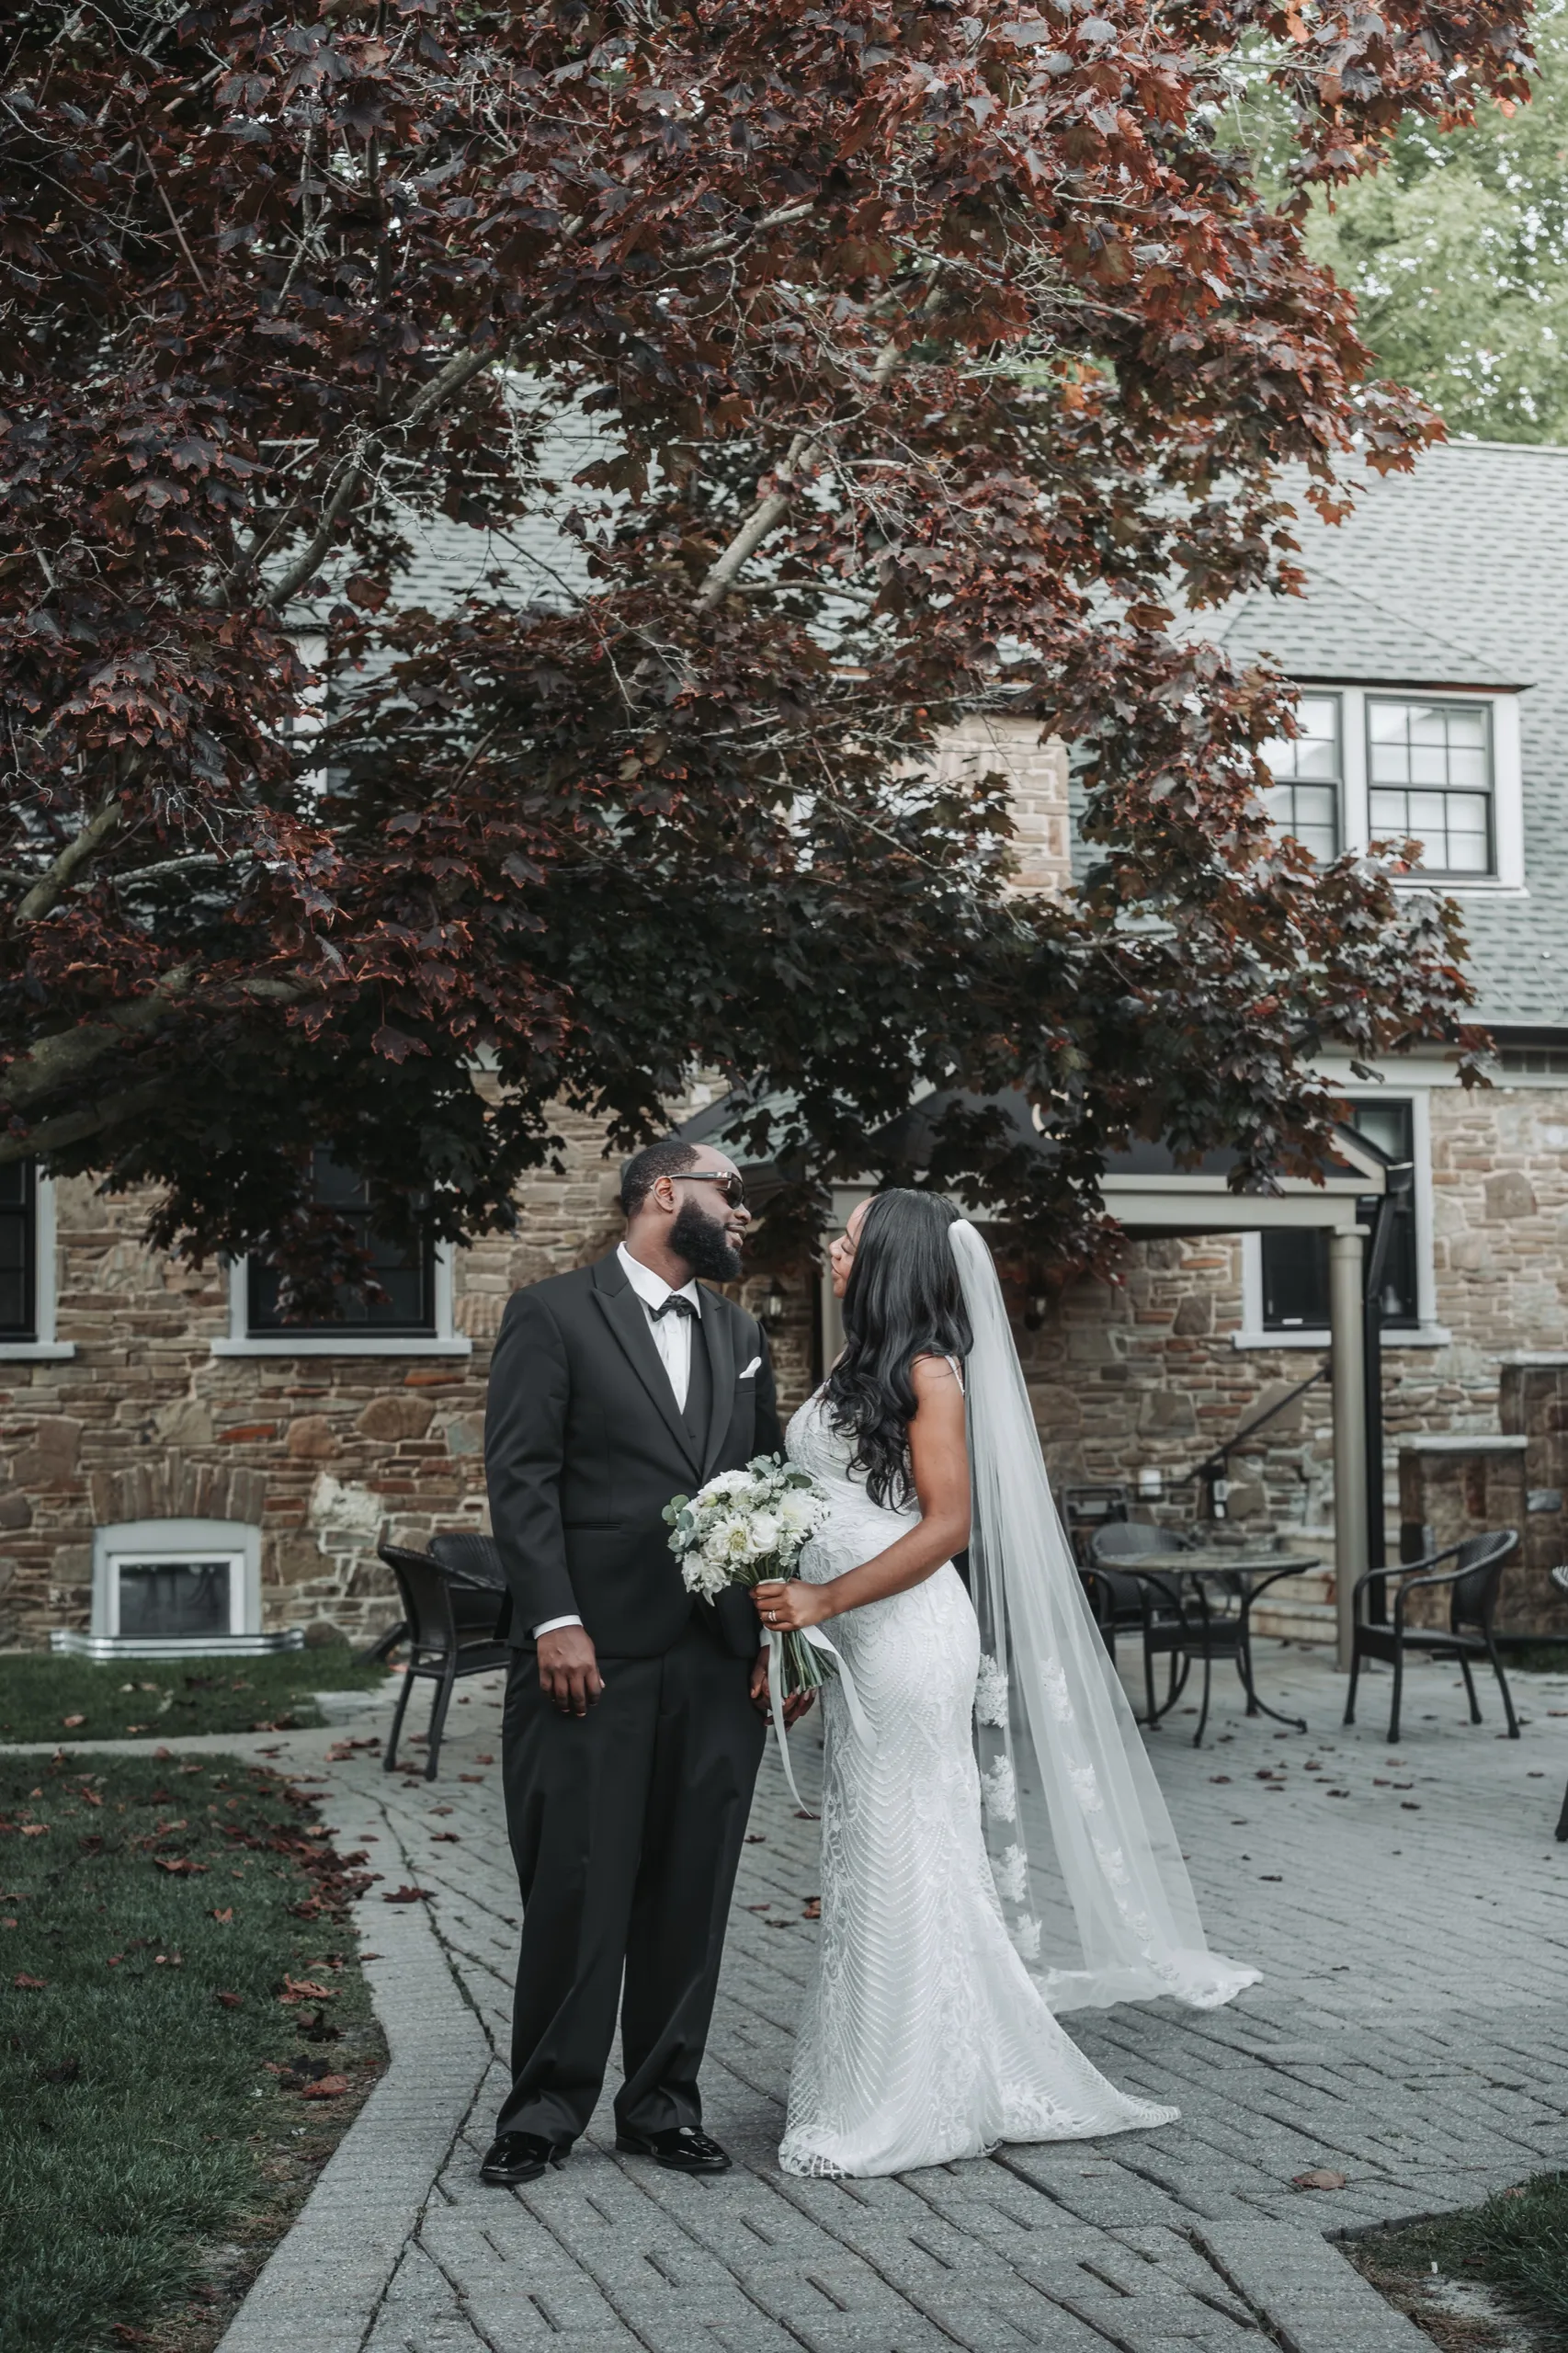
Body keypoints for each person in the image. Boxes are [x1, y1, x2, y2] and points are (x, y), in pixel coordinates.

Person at [754, 1190, 1258, 2178]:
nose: (831, 1249)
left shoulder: (930, 1371)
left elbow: (946, 1527)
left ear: (888, 1257)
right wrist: (801, 1641)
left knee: (905, 1842)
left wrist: (823, 1601)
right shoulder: (859, 1369)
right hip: (850, 1633)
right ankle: (881, 2065)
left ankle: (913, 2092)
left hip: (905, 1633)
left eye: (848, 1240)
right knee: (868, 1846)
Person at [480, 1137, 791, 2187]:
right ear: (664, 1192)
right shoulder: (552, 1312)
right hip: (590, 1655)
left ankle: (661, 2104)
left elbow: (762, 1489)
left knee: (689, 1890)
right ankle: (542, 2109)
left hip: (714, 1662)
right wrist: (551, 1617)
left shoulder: (741, 1332)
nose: (740, 1213)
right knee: (577, 1881)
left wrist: (768, 1642)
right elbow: (520, 1477)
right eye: (728, 1191)